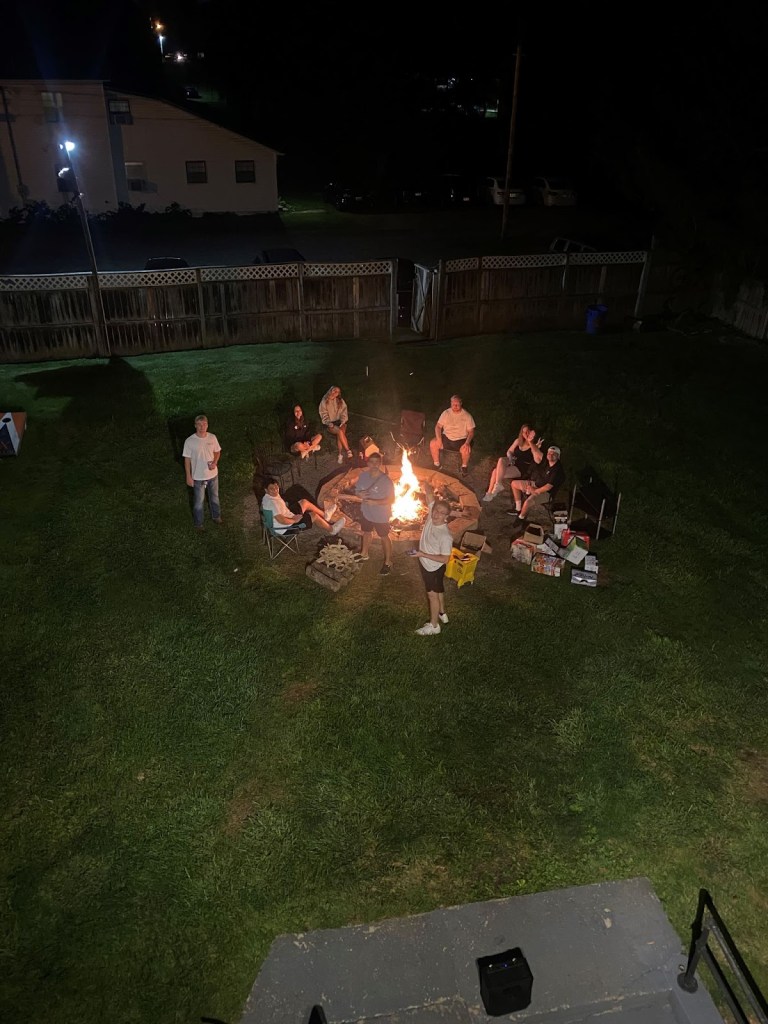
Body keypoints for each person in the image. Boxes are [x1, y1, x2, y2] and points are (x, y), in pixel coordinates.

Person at [408, 485, 453, 635]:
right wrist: (426, 485)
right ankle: (442, 613)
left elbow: (445, 559)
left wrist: (423, 554)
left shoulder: (445, 536)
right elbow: (430, 497)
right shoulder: (431, 515)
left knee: (432, 595)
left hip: (432, 567)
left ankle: (434, 626)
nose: (436, 514)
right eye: (436, 510)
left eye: (441, 513)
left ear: (446, 517)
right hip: (428, 563)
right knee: (438, 589)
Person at [354, 450, 395, 575]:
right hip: (366, 512)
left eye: (377, 462)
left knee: (384, 536)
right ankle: (364, 553)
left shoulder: (386, 481)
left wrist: (375, 502)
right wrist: (359, 494)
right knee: (367, 532)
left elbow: (392, 499)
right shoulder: (363, 476)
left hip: (381, 515)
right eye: (371, 462)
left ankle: (388, 562)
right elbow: (357, 491)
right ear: (368, 463)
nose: (374, 464)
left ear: (380, 463)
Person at [482, 424, 544, 502]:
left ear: (531, 433)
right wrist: (511, 458)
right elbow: (509, 451)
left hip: (521, 468)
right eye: (524, 432)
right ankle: (497, 486)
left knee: (495, 471)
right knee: (501, 459)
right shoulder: (518, 441)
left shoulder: (534, 446)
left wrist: (533, 444)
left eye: (528, 432)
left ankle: (490, 493)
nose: (526, 434)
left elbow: (537, 459)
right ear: (521, 433)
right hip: (513, 461)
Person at [261, 479, 345, 535]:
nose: (275, 490)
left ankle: (325, 515)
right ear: (266, 490)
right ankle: (332, 530)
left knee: (304, 502)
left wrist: (285, 508)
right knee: (314, 515)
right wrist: (294, 520)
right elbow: (281, 520)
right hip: (286, 527)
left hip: (288, 516)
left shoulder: (268, 497)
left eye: (276, 487)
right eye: (272, 489)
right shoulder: (272, 503)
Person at [183, 414, 223, 530]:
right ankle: (199, 524)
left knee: (214, 497)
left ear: (207, 425)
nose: (202, 427)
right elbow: (187, 460)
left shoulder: (212, 437)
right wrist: (188, 476)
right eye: (199, 424)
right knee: (198, 502)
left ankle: (216, 516)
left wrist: (215, 462)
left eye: (204, 424)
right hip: (198, 477)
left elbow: (217, 451)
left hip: (213, 475)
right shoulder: (190, 441)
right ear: (195, 425)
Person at [508, 445, 565, 522]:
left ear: (558, 456)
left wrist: (534, 491)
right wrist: (532, 443)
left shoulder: (557, 470)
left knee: (528, 502)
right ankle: (518, 509)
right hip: (535, 484)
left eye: (554, 454)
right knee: (514, 484)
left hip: (546, 493)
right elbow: (536, 452)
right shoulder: (546, 462)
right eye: (549, 453)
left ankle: (521, 518)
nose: (551, 455)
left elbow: (548, 487)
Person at [429, 394, 476, 477]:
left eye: (457, 404)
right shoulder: (446, 413)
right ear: (451, 403)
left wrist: (467, 443)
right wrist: (439, 439)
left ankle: (464, 467)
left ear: (461, 403)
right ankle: (436, 464)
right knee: (433, 443)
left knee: (466, 449)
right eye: (453, 404)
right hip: (447, 437)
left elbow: (471, 432)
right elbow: (438, 427)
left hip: (461, 439)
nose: (455, 406)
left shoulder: (467, 416)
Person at [318, 385, 353, 464]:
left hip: (340, 421)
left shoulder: (340, 400)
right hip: (330, 423)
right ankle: (348, 451)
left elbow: (344, 411)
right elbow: (323, 414)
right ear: (330, 390)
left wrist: (343, 421)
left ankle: (340, 455)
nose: (335, 393)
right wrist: (328, 423)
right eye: (334, 390)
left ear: (338, 394)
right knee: (340, 432)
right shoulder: (324, 401)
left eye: (337, 392)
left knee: (340, 433)